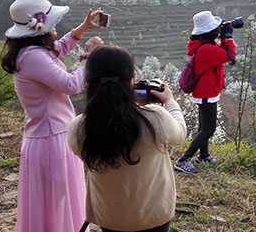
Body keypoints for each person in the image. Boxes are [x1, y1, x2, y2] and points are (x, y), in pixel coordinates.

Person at [0, 0, 104, 232]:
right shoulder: (34, 57)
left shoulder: (28, 53)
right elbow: (70, 84)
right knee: (63, 201)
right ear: (40, 27)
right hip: (52, 140)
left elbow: (60, 48)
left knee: (49, 206)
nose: (55, 27)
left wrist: (83, 28)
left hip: (43, 137)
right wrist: (88, 58)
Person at [67, 45, 187, 232]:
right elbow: (180, 132)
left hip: (109, 218)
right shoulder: (155, 118)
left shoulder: (78, 128)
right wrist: (169, 101)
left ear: (88, 81)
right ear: (131, 79)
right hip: (154, 216)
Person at [173, 10, 236, 174]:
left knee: (203, 126)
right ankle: (183, 160)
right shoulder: (206, 50)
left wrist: (223, 37)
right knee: (209, 129)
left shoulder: (204, 46)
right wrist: (227, 36)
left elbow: (224, 54)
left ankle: (204, 155)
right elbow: (230, 56)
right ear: (210, 32)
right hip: (206, 92)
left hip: (205, 91)